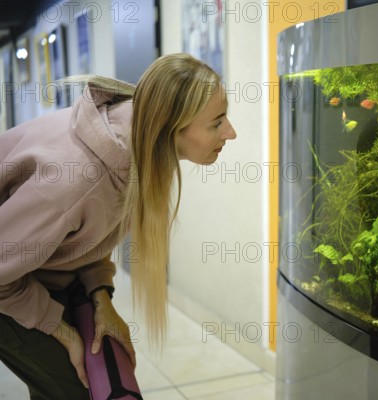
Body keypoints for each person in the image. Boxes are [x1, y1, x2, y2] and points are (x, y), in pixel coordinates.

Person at [0, 53, 237, 399]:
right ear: (172, 125)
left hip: (33, 267)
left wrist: (101, 297)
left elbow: (86, 236)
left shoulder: (140, 145)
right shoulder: (76, 181)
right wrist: (61, 331)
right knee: (76, 387)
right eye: (216, 122)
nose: (231, 132)